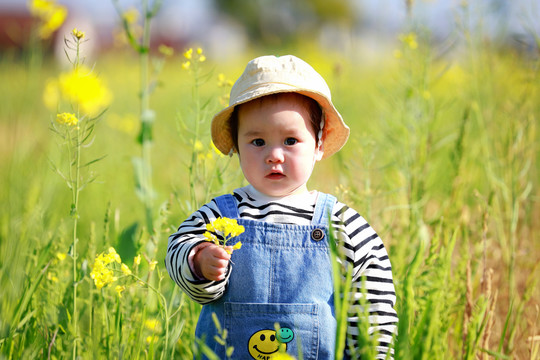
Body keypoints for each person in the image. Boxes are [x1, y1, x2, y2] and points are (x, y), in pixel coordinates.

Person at [165, 55, 398, 359]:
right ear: (236, 146)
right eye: (258, 142)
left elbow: (373, 303)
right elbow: (177, 249)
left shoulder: (341, 224)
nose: (274, 155)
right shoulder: (220, 216)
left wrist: (372, 353)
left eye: (290, 140)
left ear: (318, 143)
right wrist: (199, 261)